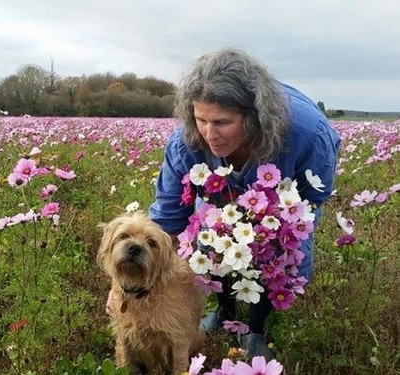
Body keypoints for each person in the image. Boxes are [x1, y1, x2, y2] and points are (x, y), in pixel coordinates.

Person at [145, 48, 341, 358]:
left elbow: (312, 200)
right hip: (222, 204)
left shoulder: (307, 134)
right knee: (211, 237)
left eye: (222, 122)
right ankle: (225, 312)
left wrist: (272, 231)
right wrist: (135, 283)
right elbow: (168, 218)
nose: (210, 135)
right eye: (201, 119)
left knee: (281, 249)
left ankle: (258, 327)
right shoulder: (186, 139)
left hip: (283, 208)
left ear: (253, 118)